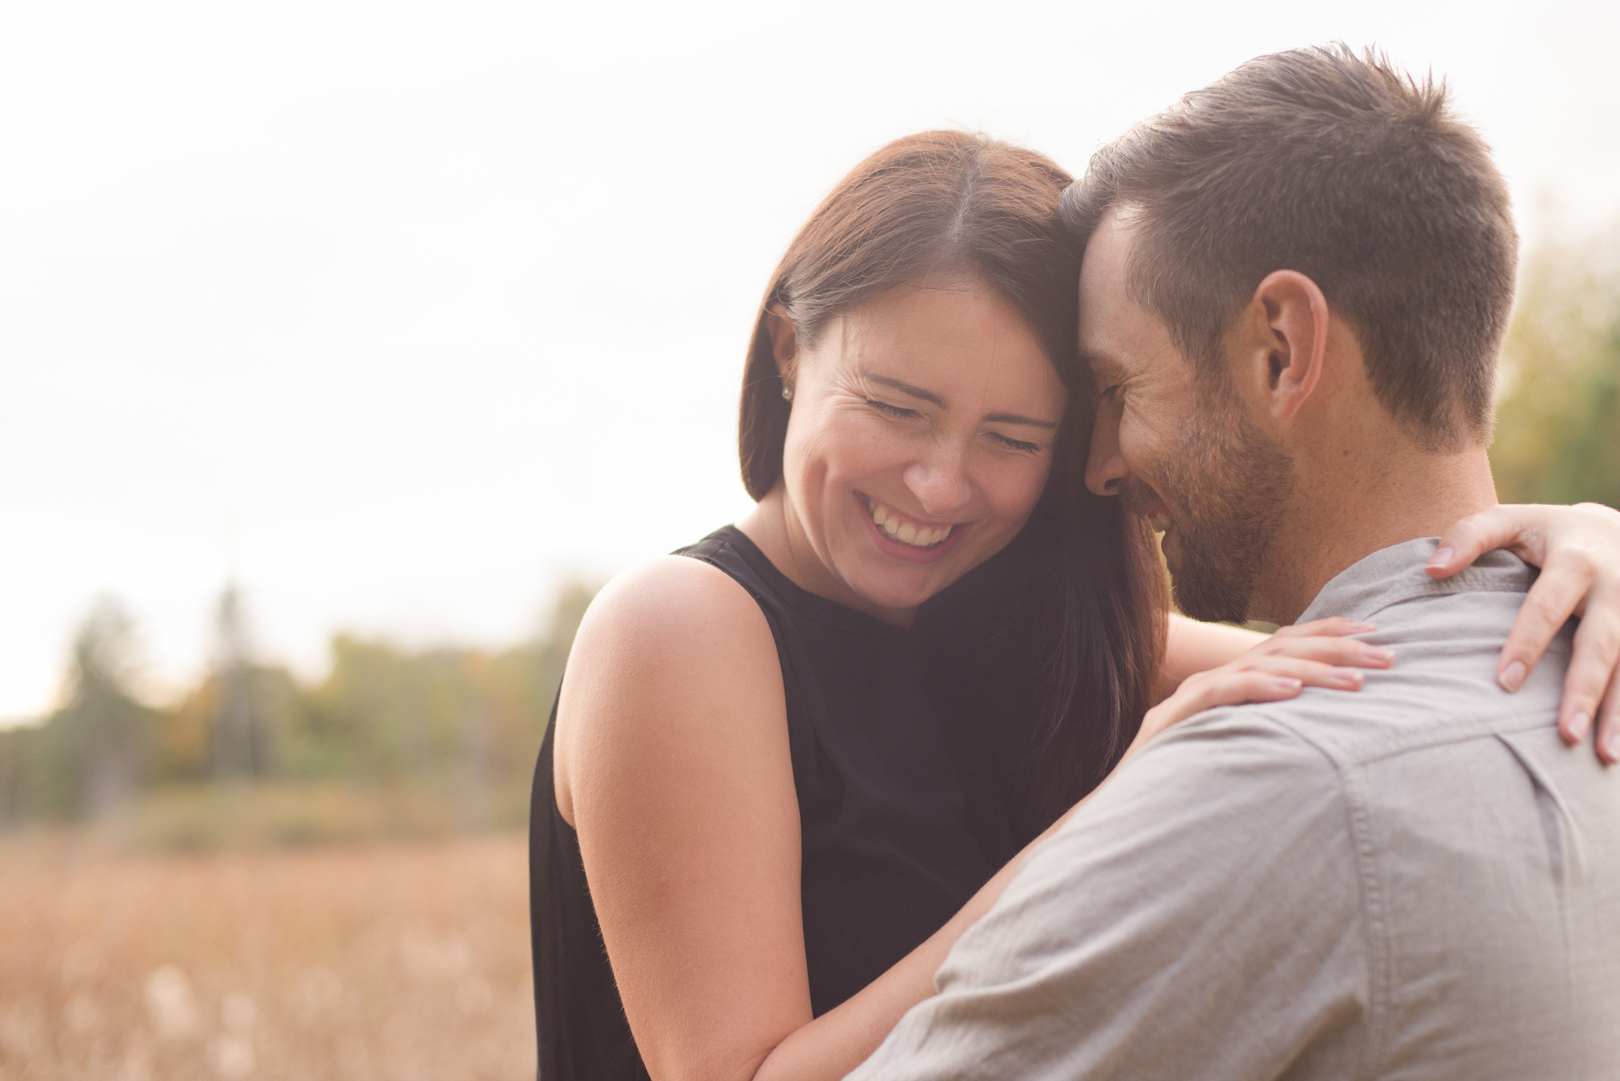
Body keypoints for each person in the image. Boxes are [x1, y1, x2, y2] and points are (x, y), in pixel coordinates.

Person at [530, 130, 1620, 1081]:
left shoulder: (1019, 617)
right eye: (896, 406)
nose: (940, 485)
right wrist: (1103, 830)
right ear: (786, 351)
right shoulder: (681, 629)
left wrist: (1565, 534)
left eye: (1013, 439)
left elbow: (1359, 650)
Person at [846, 46, 1620, 1081]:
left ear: (1283, 349)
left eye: (1119, 389)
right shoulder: (1581, 663)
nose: (1101, 464)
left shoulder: (1266, 790)